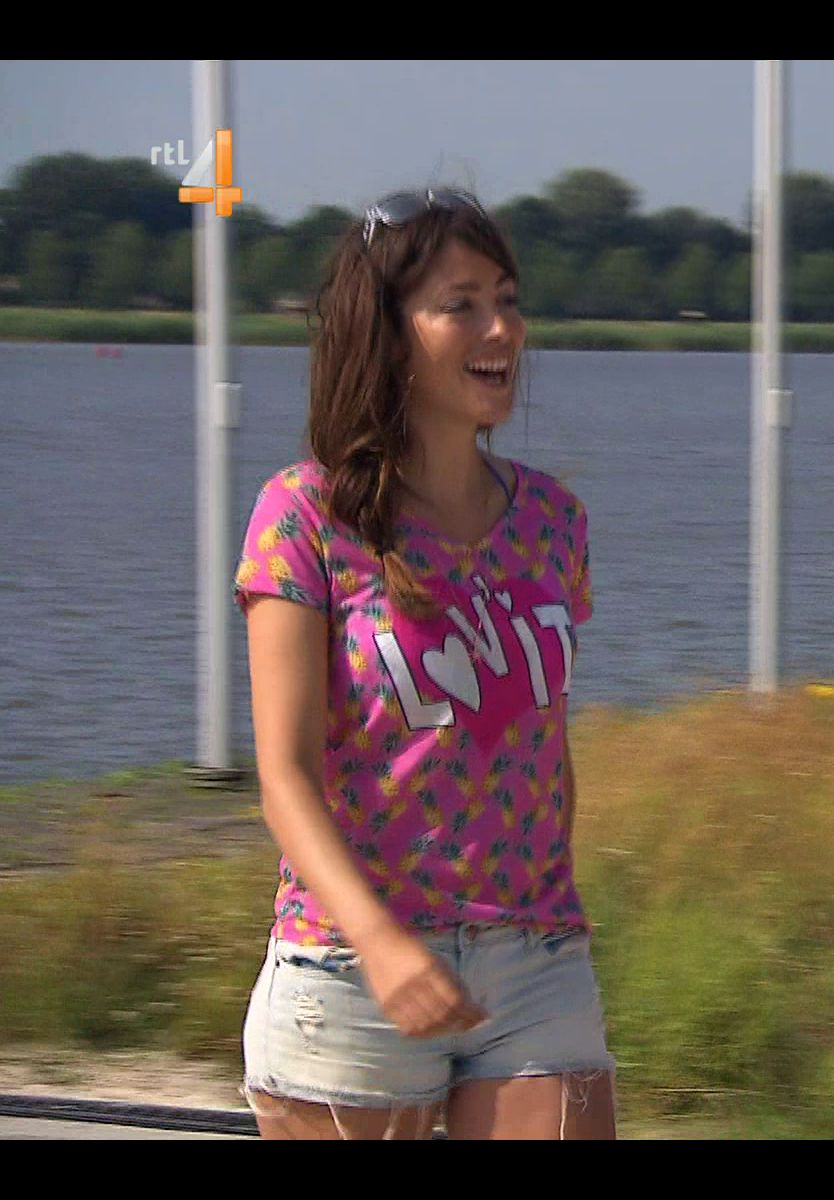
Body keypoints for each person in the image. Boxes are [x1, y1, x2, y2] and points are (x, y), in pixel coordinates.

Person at [234, 188, 614, 1139]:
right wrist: (381, 943)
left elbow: (544, 743)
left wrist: (552, 902)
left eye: (508, 299)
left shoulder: (553, 521)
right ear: (389, 334)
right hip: (351, 968)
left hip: (534, 955)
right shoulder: (306, 517)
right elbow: (284, 777)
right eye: (462, 304)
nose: (503, 328)